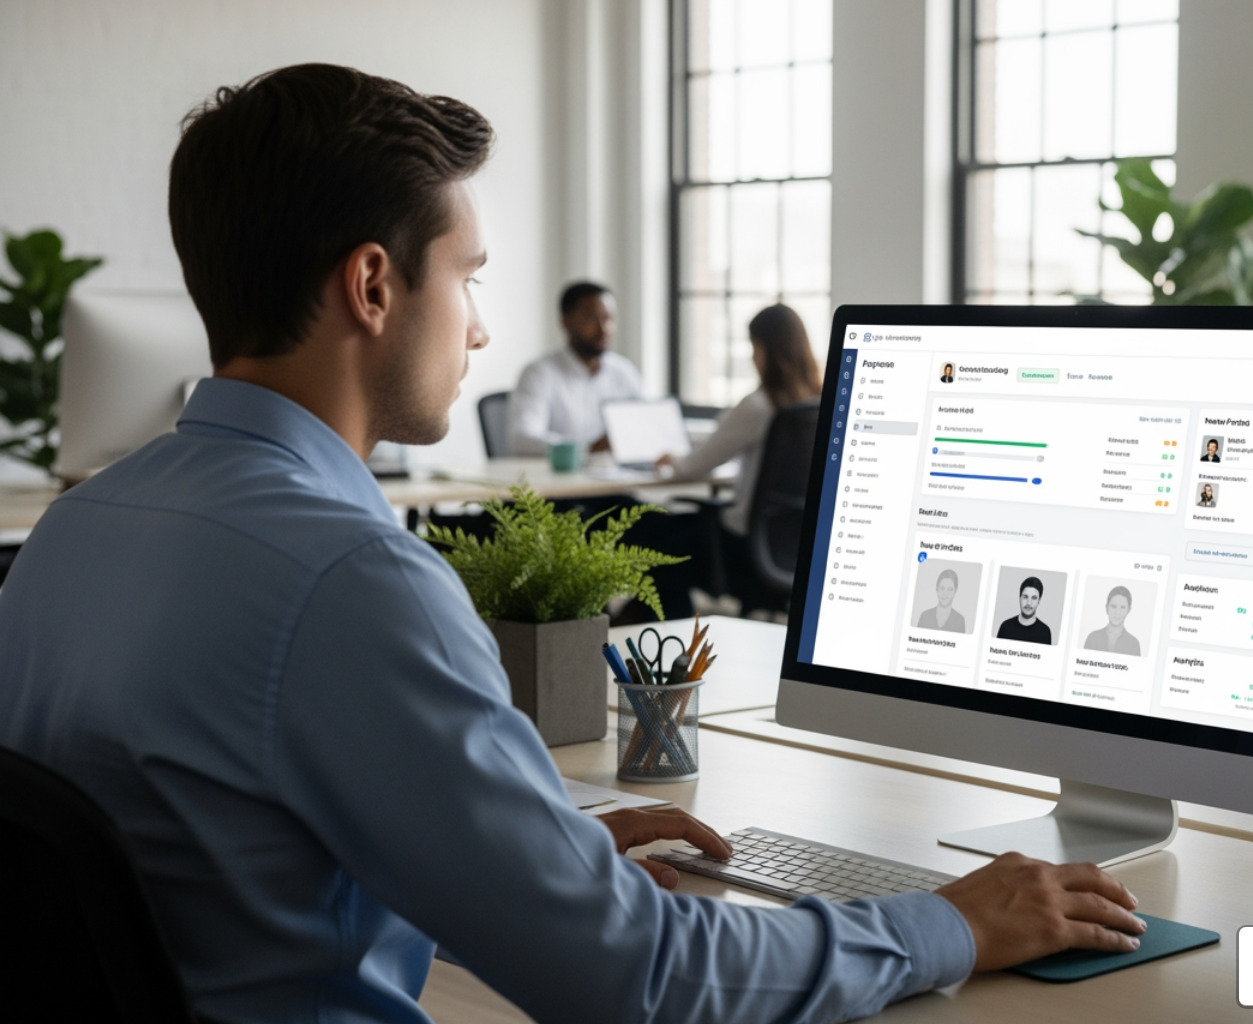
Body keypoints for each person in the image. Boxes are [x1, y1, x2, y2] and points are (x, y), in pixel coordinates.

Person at [0, 64, 1144, 1024]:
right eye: (469, 277)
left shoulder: (74, 534)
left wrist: (535, 851)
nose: (479, 327)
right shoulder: (354, 581)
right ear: (373, 285)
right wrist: (947, 923)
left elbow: (229, 848)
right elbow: (636, 977)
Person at [656, 304, 820, 588]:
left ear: (762, 349)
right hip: (798, 547)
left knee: (654, 534)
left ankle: (663, 613)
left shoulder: (759, 405)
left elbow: (692, 467)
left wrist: (673, 461)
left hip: (745, 549)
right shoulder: (819, 403)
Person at [506, 280, 644, 455]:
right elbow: (522, 440)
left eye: (608, 318)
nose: (604, 329)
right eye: (592, 319)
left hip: (615, 471)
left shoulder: (624, 371)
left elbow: (645, 426)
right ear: (566, 322)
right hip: (561, 472)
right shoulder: (539, 373)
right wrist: (589, 448)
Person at [1083, 586, 1141, 656]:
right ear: (1107, 608)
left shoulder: (1133, 644)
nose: (1117, 612)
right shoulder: (1092, 639)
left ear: (1128, 610)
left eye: (1122, 607)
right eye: (1113, 606)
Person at [996, 576, 1052, 644]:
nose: (1029, 603)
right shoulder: (1005, 627)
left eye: (1034, 598)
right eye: (1025, 597)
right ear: (1020, 598)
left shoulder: (1045, 632)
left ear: (1039, 601)